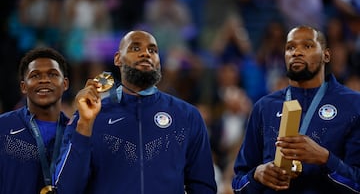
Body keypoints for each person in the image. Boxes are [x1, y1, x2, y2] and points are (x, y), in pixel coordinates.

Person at [53, 30, 217, 193]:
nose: (146, 54)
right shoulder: (89, 115)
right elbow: (66, 188)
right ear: (117, 59)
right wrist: (84, 124)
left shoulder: (187, 116)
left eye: (152, 50)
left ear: (159, 62)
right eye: (135, 48)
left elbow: (203, 187)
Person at [232, 25, 360, 193]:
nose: (296, 52)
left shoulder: (353, 105)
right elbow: (237, 184)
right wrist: (256, 175)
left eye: (307, 46)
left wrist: (326, 160)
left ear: (326, 55)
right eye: (290, 47)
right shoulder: (264, 107)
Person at [0, 47, 69, 193]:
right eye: (35, 76)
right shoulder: (3, 127)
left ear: (65, 84)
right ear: (23, 87)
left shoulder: (75, 133)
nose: (44, 80)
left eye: (52, 74)